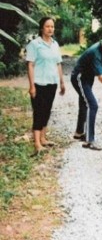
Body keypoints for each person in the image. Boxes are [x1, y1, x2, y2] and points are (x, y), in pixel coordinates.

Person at [71, 29, 102, 150]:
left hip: (88, 77)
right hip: (80, 77)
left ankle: (79, 132)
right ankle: (89, 140)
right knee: (93, 105)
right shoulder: (96, 52)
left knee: (84, 103)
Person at [26, 16, 65, 156]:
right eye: (48, 26)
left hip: (52, 83)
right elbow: (30, 65)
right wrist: (32, 86)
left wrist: (61, 82)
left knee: (47, 110)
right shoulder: (35, 44)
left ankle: (43, 138)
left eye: (52, 26)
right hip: (39, 83)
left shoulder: (55, 44)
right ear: (42, 28)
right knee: (38, 111)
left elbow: (58, 64)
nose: (50, 29)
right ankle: (36, 143)